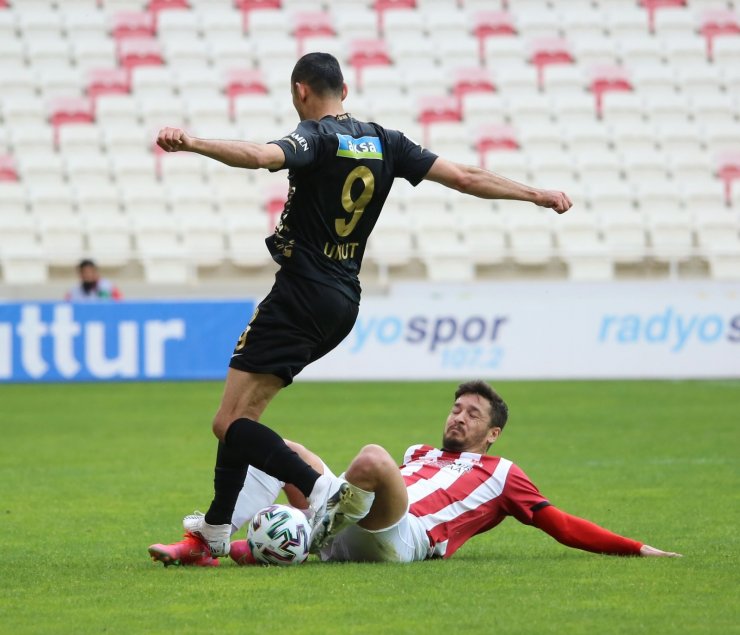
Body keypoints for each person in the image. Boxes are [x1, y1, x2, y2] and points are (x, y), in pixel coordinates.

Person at [150, 52, 574, 560]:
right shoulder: (386, 141)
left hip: (300, 292)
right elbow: (463, 176)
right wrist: (537, 194)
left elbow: (263, 157)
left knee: (229, 424)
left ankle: (318, 491)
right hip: (343, 299)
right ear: (345, 90)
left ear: (300, 93)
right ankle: (212, 533)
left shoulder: (317, 137)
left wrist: (193, 142)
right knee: (244, 421)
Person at [148, 381, 680, 566]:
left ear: (492, 432)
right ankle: (208, 541)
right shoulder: (421, 452)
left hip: (406, 538)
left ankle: (311, 528)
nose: (459, 416)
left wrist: (636, 548)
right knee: (277, 444)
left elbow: (558, 523)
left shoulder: (503, 473)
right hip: (357, 518)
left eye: (473, 414)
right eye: (457, 408)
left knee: (373, 460)